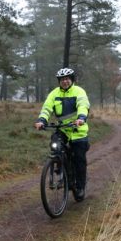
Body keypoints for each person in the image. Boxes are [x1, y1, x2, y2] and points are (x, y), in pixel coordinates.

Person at [34, 67, 90, 199]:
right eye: (62, 80)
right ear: (59, 81)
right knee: (55, 146)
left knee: (79, 159)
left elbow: (83, 105)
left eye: (67, 79)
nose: (65, 81)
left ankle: (80, 186)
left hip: (78, 131)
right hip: (63, 129)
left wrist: (81, 118)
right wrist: (42, 120)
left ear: (71, 80)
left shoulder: (79, 91)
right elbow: (47, 108)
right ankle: (61, 169)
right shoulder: (54, 93)